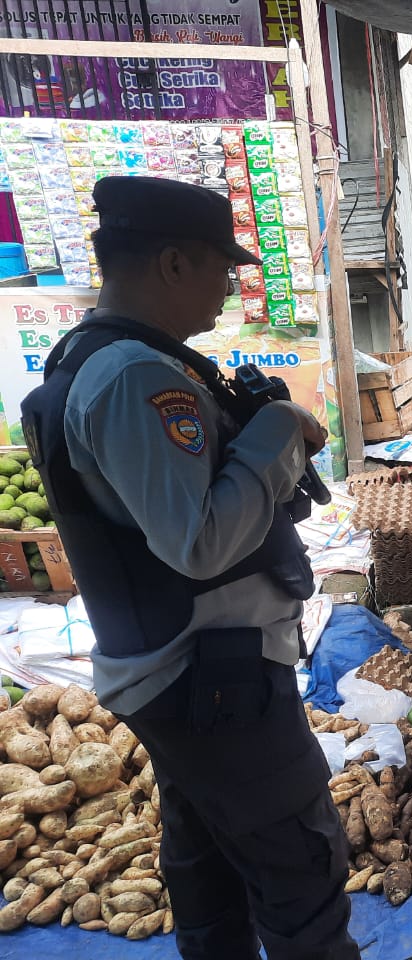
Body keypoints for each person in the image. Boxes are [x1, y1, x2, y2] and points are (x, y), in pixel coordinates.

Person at [20, 177, 357, 960]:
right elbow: (197, 543)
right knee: (300, 868)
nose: (228, 288)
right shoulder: (136, 377)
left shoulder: (98, 360)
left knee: (207, 864)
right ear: (173, 264)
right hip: (212, 679)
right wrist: (275, 431)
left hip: (186, 675)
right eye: (220, 269)